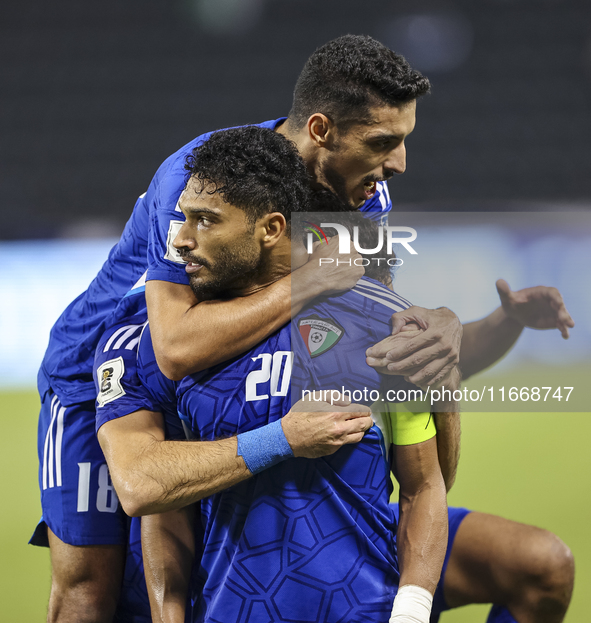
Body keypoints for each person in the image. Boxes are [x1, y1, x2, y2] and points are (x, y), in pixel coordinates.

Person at [34, 34, 573, 622]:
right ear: (321, 130)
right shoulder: (200, 180)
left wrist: (440, 327)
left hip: (227, 373)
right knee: (92, 591)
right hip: (98, 376)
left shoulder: (364, 197)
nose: (397, 163)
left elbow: (379, 332)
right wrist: (309, 283)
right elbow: (174, 348)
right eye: (382, 142)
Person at [94, 126, 457, 622]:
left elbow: (427, 484)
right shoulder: (147, 344)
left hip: (365, 610)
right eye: (183, 217)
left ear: (270, 229)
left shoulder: (380, 323)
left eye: (205, 221)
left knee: (536, 561)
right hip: (231, 611)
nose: (179, 238)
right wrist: (284, 438)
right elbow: (151, 492)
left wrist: (412, 612)